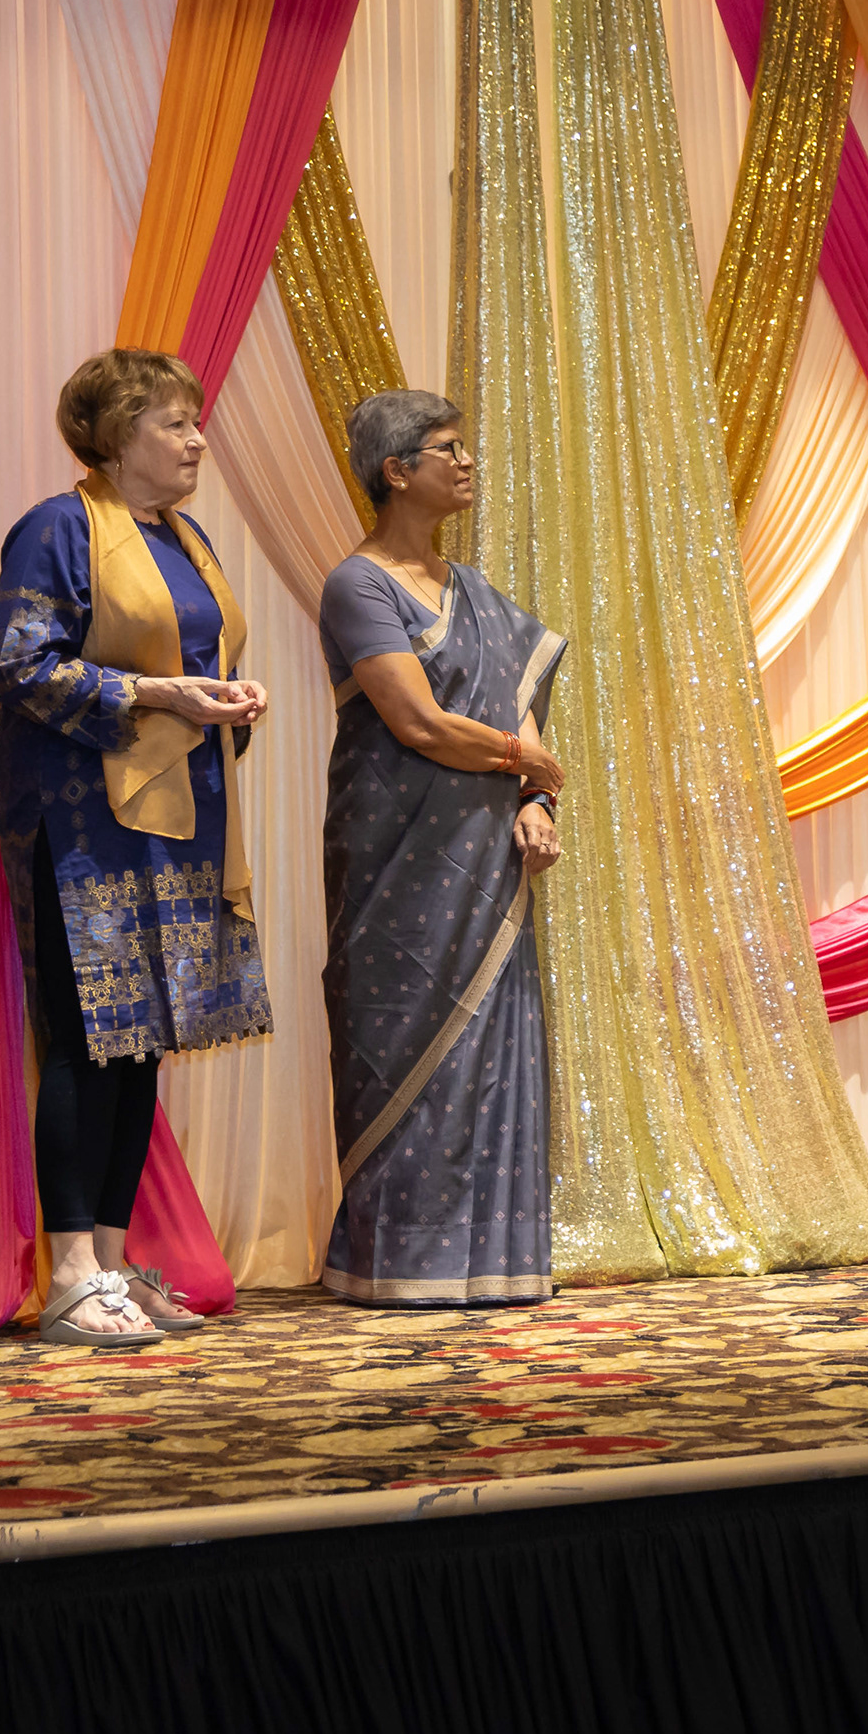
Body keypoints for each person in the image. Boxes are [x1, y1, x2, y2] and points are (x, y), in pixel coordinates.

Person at [0, 350, 271, 1345]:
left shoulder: (184, 536)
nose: (197, 440)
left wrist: (228, 696)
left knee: (142, 1040)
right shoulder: (59, 527)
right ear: (115, 436)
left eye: (196, 422)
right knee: (87, 1039)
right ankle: (69, 1271)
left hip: (178, 819)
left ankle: (109, 1261)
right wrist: (156, 693)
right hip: (82, 829)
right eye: (175, 423)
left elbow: (196, 659)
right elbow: (22, 666)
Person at [316, 391, 565, 1307]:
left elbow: (514, 696)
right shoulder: (360, 585)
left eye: (465, 447)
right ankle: (399, 1267)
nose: (465, 462)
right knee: (397, 1042)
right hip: (397, 857)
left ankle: (493, 1263)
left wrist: (535, 797)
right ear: (396, 471)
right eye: (446, 449)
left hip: (486, 860)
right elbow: (417, 721)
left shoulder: (478, 594)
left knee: (491, 1050)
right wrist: (522, 762)